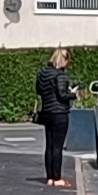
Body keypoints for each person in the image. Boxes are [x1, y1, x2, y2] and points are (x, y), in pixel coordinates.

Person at [35, 48, 75, 186]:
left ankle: (50, 177)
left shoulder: (42, 73)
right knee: (58, 147)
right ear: (64, 59)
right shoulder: (60, 75)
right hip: (60, 113)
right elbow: (62, 95)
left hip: (47, 112)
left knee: (49, 145)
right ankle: (57, 178)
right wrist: (73, 93)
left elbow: (39, 90)